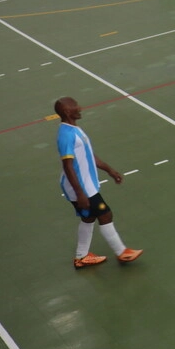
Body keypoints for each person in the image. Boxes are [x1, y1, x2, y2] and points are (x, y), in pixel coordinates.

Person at [55, 96, 143, 267]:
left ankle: (81, 257)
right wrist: (80, 193)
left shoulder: (74, 129)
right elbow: (68, 166)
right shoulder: (66, 135)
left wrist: (109, 170)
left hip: (85, 184)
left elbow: (89, 155)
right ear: (66, 111)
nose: (80, 108)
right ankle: (122, 253)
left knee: (88, 218)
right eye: (75, 106)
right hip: (81, 187)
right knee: (105, 214)